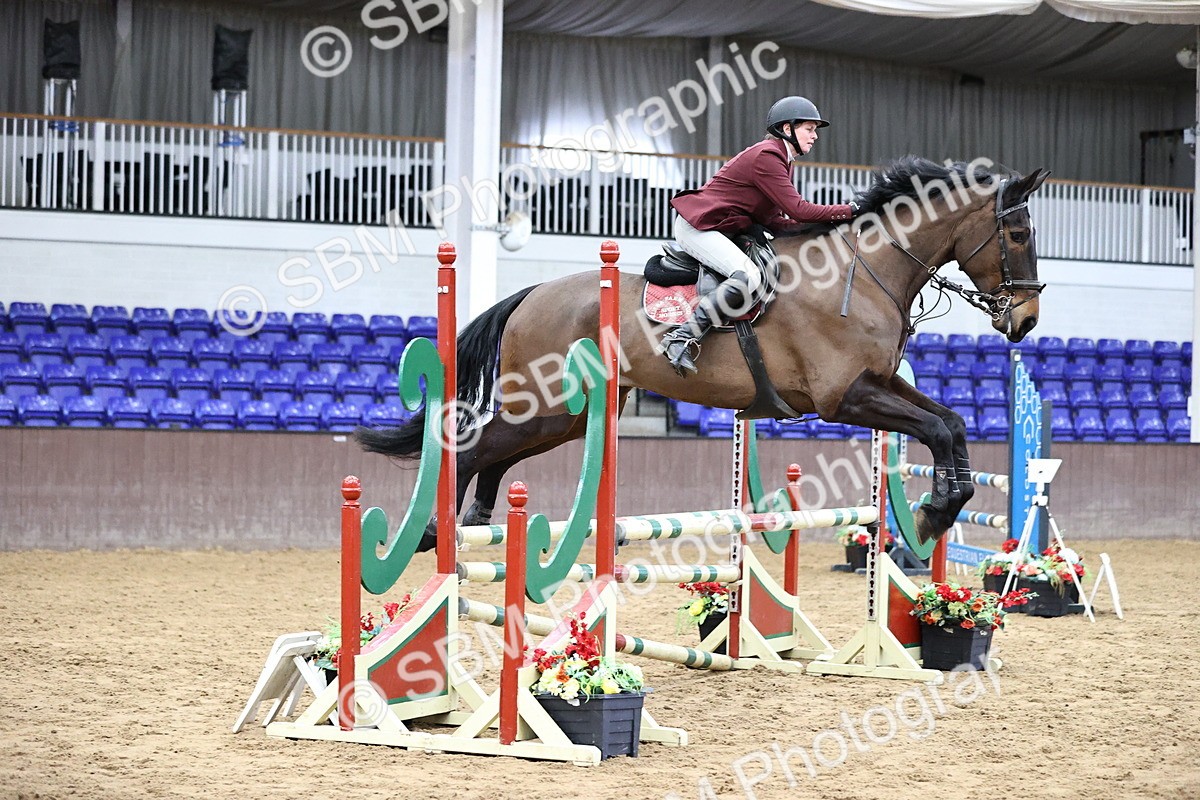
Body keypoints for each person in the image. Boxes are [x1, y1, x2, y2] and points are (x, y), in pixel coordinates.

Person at [660, 96, 862, 376]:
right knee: (747, 276)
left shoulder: (782, 159)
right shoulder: (767, 155)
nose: (815, 136)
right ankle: (680, 338)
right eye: (809, 129)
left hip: (722, 227)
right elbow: (799, 209)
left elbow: (775, 221)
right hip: (700, 227)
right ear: (787, 129)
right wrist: (850, 210)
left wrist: (823, 228)